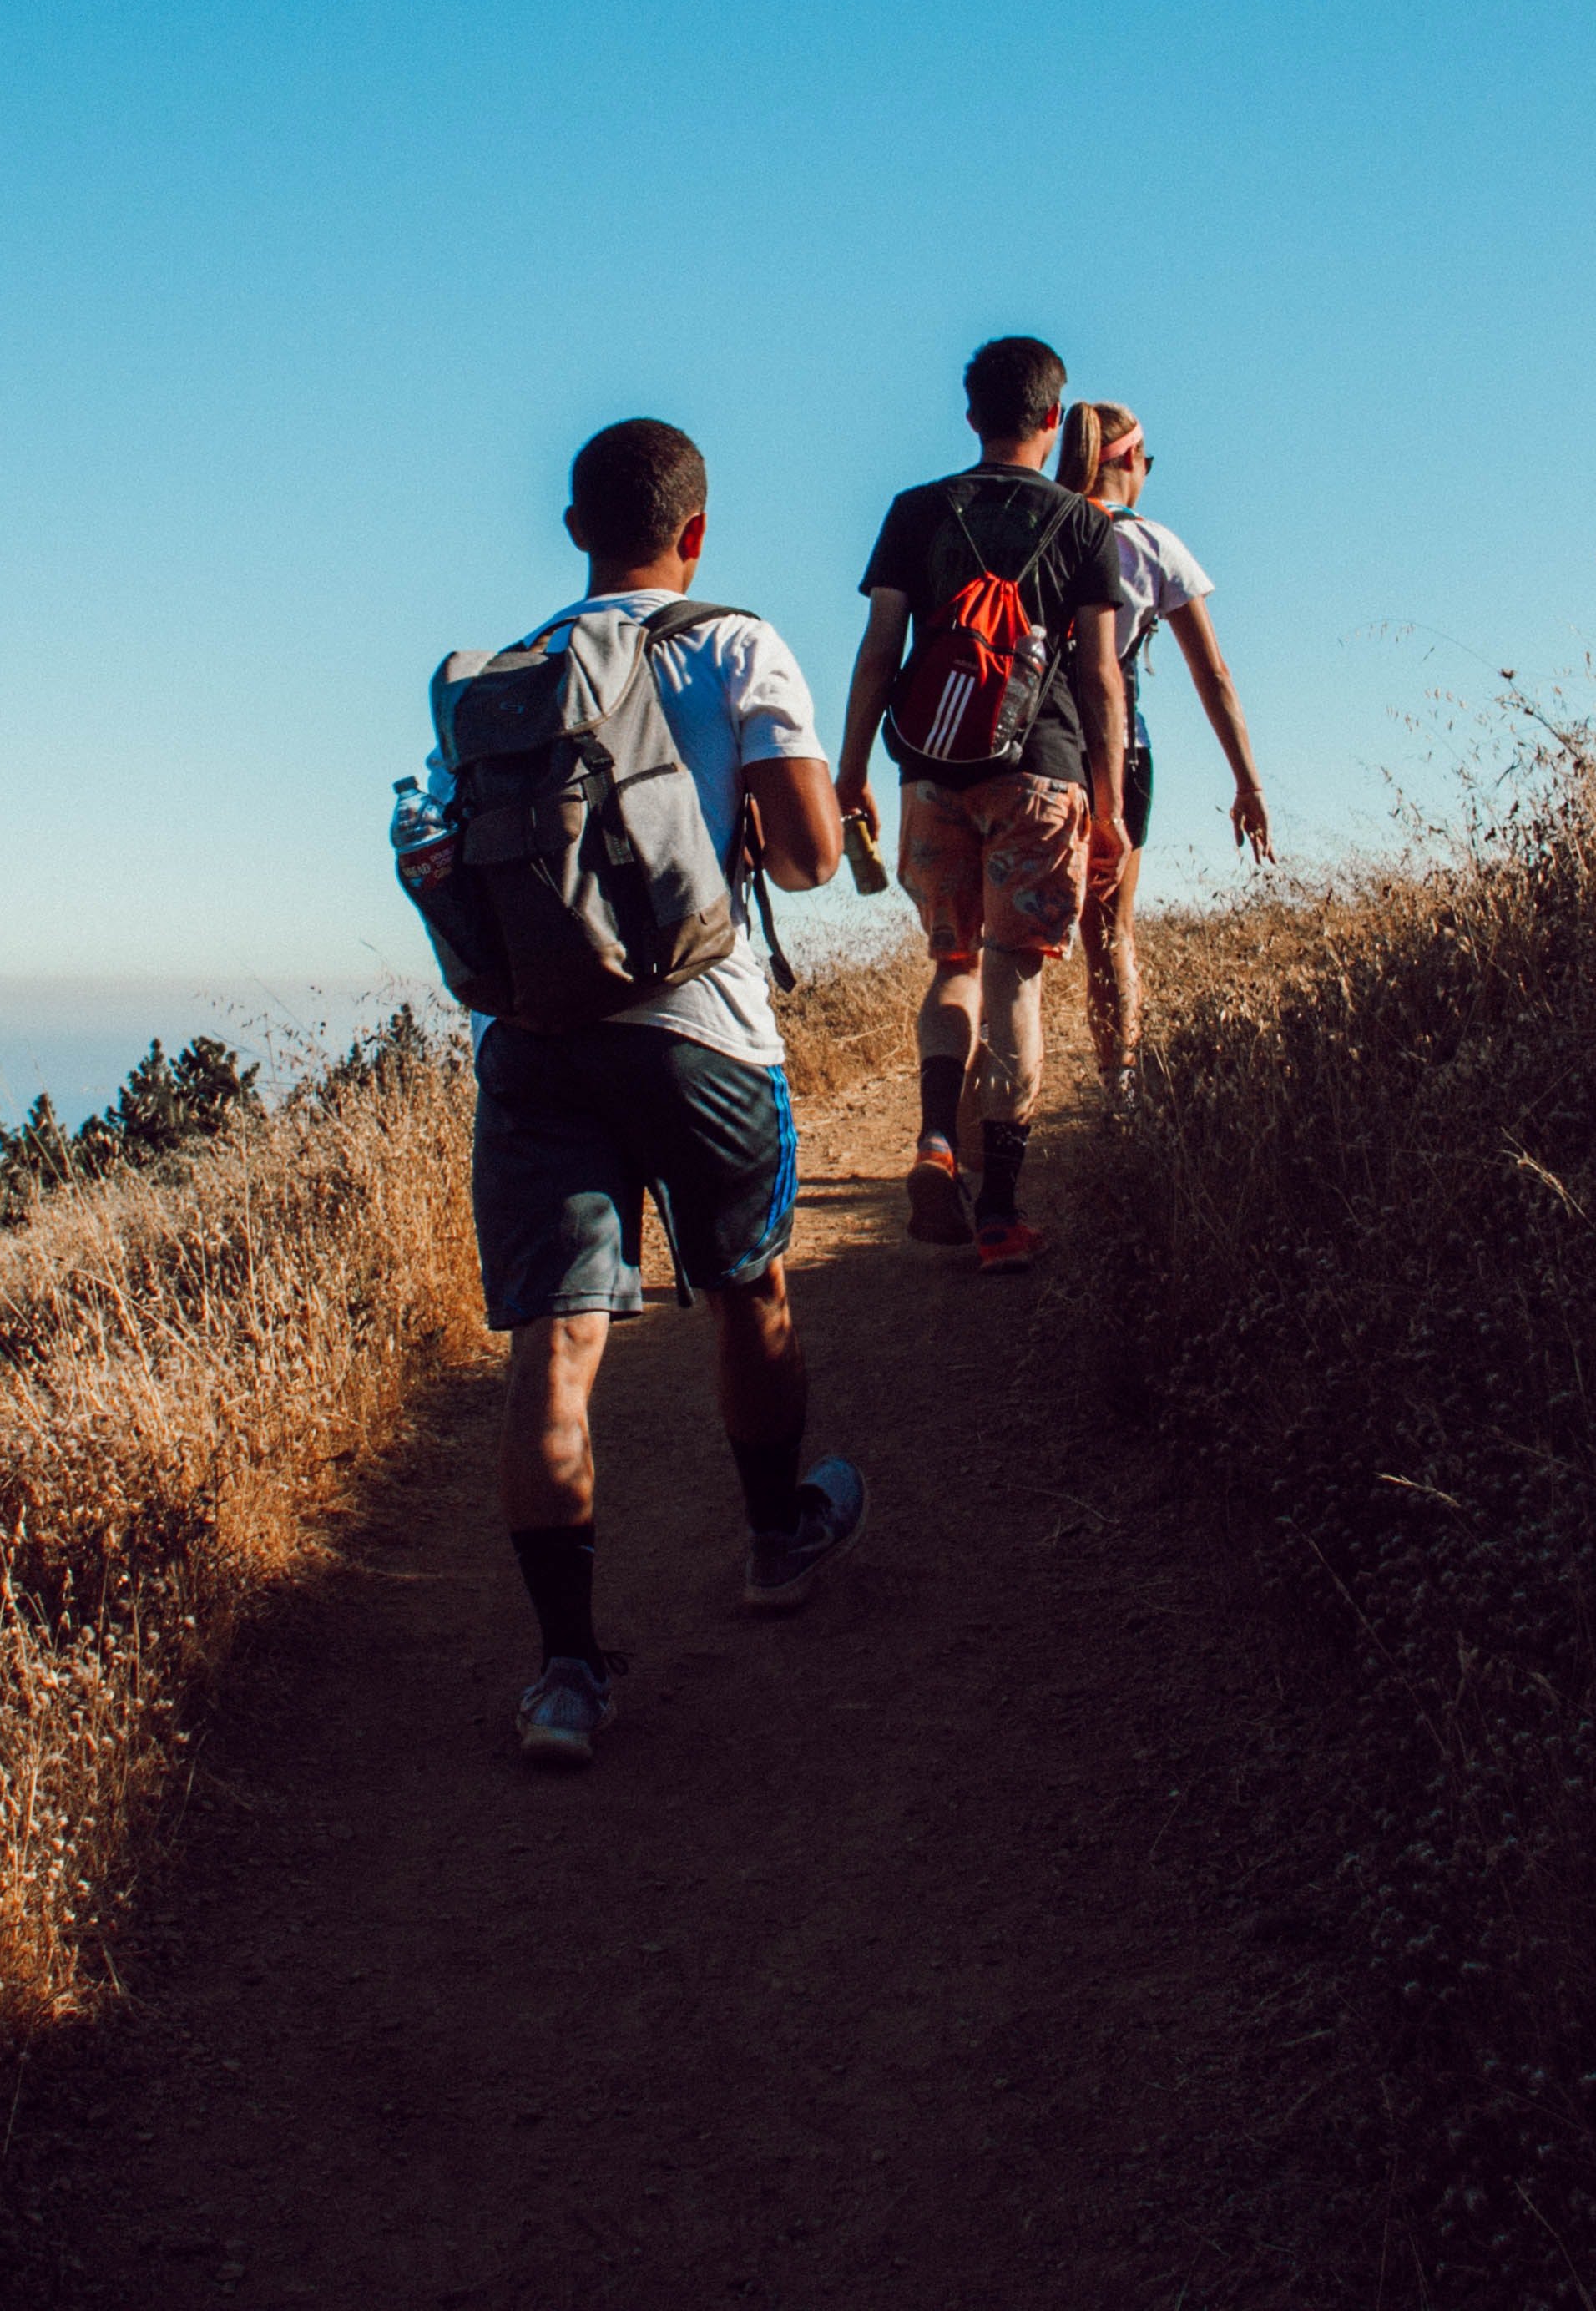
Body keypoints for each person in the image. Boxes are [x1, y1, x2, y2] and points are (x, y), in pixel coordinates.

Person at [430, 417, 864, 1770]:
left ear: (572, 528)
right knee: (749, 1287)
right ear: (698, 530)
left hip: (541, 1039)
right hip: (702, 1033)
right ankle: (774, 1538)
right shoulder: (737, 642)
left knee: (554, 1353)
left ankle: (564, 1673)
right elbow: (803, 861)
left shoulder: (506, 680)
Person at [834, 335, 1129, 1274]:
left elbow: (880, 650)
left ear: (971, 416)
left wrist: (849, 775)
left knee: (952, 965)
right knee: (1016, 979)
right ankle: (1000, 1213)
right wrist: (1112, 804)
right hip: (1041, 775)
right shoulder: (1087, 527)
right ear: (1055, 419)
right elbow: (1099, 679)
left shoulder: (916, 511)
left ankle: (934, 1140)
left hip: (930, 772)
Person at [1053, 398, 1275, 1110]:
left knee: (1009, 936)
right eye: (1147, 461)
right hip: (1121, 753)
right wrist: (1248, 783)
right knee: (1110, 932)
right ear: (1126, 462)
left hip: (1037, 750)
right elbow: (1213, 675)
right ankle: (1120, 1092)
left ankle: (981, 1110)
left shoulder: (1044, 528)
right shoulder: (1152, 545)